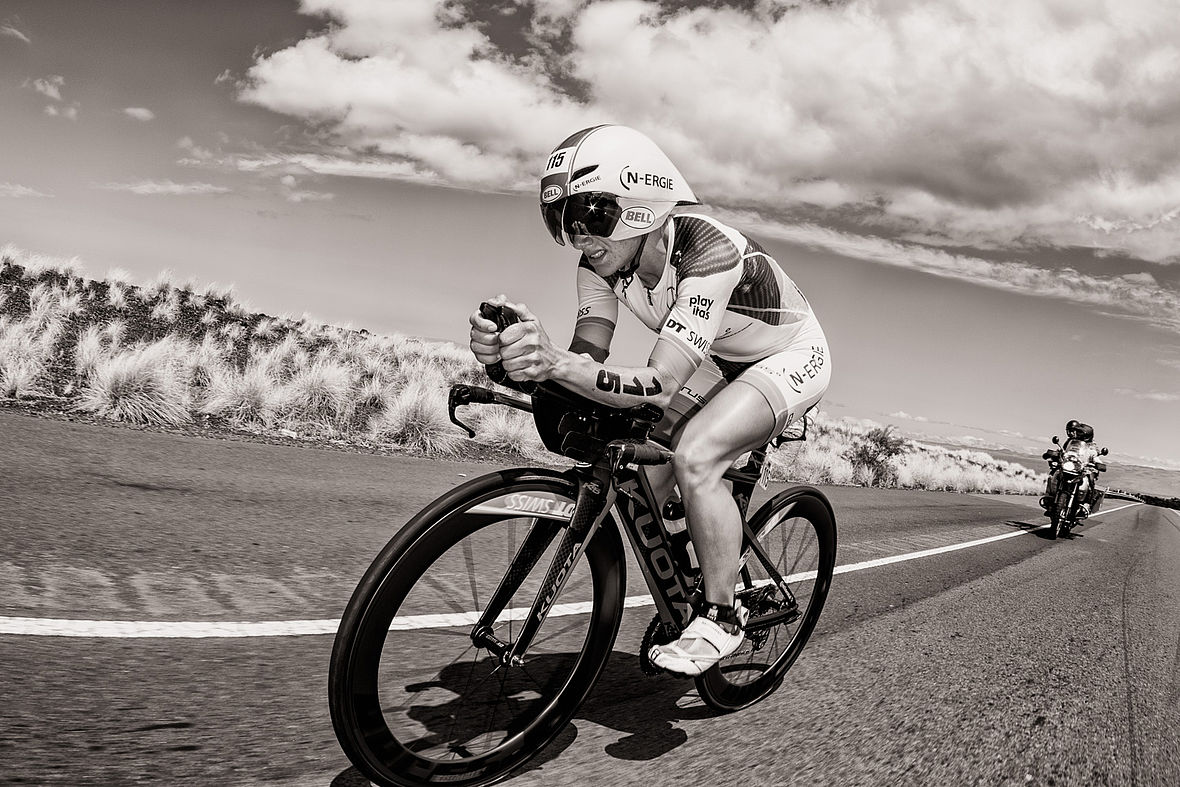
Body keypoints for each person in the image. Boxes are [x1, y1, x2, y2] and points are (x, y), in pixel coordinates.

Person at [468, 124, 831, 676]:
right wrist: (518, 363)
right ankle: (698, 558)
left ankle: (720, 613)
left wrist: (557, 364)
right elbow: (586, 362)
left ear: (640, 204)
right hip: (713, 360)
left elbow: (659, 382)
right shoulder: (599, 267)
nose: (578, 237)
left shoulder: (708, 253)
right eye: (563, 222)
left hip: (786, 357)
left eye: (591, 216)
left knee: (697, 456)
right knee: (645, 469)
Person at [1040, 419, 1102, 518]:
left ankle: (1086, 504)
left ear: (1086, 435)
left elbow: (1095, 454)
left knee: (1090, 479)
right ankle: (1050, 496)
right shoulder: (1071, 441)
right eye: (1074, 431)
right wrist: (1054, 454)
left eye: (1078, 432)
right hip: (1070, 465)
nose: (1074, 433)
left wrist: (1098, 463)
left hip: (1083, 467)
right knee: (1054, 473)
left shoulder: (1092, 445)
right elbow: (1064, 451)